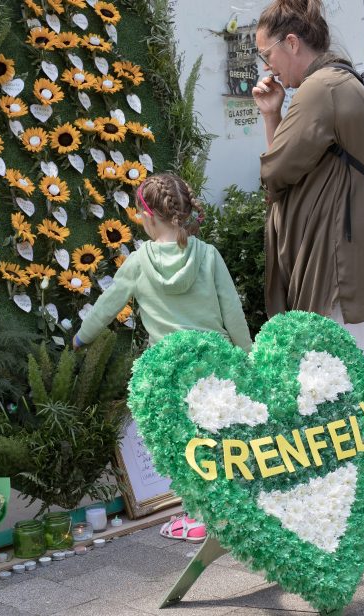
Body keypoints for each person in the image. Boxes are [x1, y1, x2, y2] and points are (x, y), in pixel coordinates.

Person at [72, 173, 252, 543]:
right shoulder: (208, 255)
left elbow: (108, 306)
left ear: (146, 216)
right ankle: (229, 510)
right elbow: (232, 311)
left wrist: (81, 337)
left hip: (170, 371)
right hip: (214, 364)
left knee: (185, 444)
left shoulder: (139, 262)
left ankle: (197, 516)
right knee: (220, 437)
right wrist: (247, 356)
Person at [252, 0, 364, 359]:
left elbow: (275, 171)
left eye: (268, 53)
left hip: (337, 259)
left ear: (292, 43)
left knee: (331, 382)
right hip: (354, 252)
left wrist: (272, 121)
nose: (267, 67)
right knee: (348, 372)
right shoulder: (343, 79)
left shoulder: (320, 89)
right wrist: (272, 114)